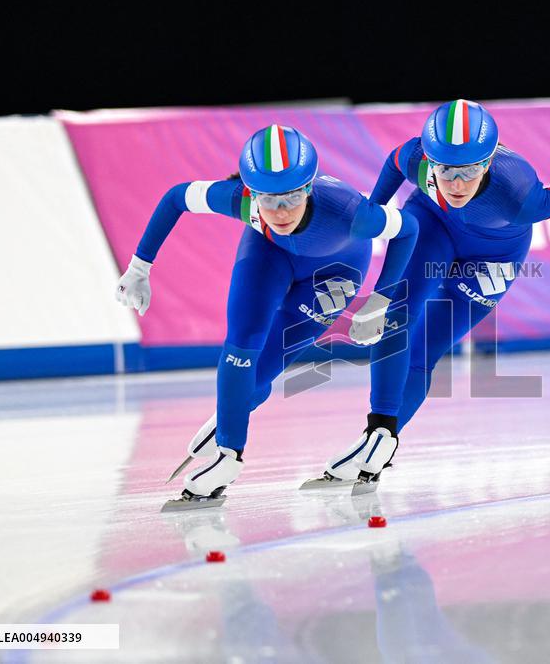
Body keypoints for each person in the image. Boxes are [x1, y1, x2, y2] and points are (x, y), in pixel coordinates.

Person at [114, 125, 418, 509]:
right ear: (250, 191)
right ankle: (228, 455)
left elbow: (409, 230)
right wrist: (139, 268)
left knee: (261, 372)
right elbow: (176, 198)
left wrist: (379, 302)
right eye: (267, 199)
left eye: (291, 197)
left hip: (336, 272)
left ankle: (236, 409)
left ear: (308, 187)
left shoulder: (349, 211)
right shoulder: (240, 200)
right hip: (268, 255)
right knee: (242, 343)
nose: (280, 211)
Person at [305, 99, 550, 492]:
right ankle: (380, 430)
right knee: (395, 314)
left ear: (488, 163)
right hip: (432, 225)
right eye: (446, 172)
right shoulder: (417, 158)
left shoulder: (520, 196)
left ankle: (382, 442)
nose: (456, 184)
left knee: (425, 351)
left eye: (469, 172)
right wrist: (374, 211)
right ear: (430, 162)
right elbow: (392, 162)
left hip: (493, 257)